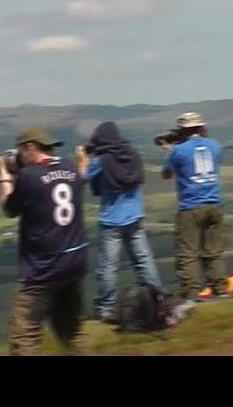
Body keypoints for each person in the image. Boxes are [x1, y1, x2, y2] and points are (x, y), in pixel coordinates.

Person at [0, 127, 87, 355]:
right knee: (72, 333)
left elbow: (9, 209)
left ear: (29, 148)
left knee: (24, 338)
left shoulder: (29, 177)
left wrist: (5, 177)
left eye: (20, 151)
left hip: (42, 270)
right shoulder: (70, 169)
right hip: (73, 263)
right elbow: (79, 178)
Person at [75, 121, 162, 323]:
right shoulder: (133, 154)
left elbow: (81, 180)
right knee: (143, 260)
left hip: (111, 220)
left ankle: (105, 307)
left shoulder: (102, 160)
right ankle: (157, 298)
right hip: (135, 216)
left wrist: (82, 159)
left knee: (108, 266)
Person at [161, 112, 228, 300]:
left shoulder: (178, 150)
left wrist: (168, 152)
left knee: (188, 253)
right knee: (214, 251)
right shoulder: (215, 146)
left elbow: (166, 174)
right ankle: (220, 290)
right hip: (215, 203)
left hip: (191, 206)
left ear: (183, 130)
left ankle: (191, 294)